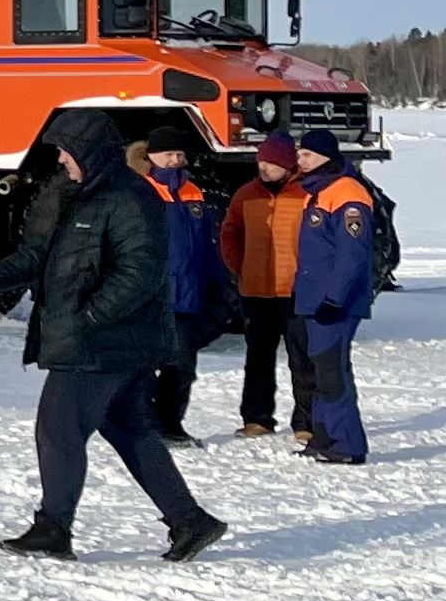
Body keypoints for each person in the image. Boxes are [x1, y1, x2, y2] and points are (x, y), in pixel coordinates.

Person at [0, 116, 228, 562]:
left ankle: (53, 529)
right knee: (129, 429)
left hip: (102, 344)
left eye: (68, 151)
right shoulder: (75, 196)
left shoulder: (131, 198)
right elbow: (38, 254)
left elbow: (139, 273)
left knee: (58, 429)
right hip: (99, 341)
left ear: (90, 153)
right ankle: (190, 520)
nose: (62, 160)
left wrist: (89, 318)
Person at [289, 128, 381, 465]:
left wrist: (335, 298)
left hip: (335, 304)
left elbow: (351, 254)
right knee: (319, 370)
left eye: (307, 155)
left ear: (325, 158)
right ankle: (324, 435)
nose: (301, 160)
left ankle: (347, 443)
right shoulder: (315, 191)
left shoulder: (347, 194)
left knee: (332, 371)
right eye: (300, 154)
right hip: (314, 299)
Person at [218, 134, 315, 439]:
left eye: (271, 164)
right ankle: (257, 419)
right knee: (258, 358)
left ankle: (306, 423)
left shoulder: (306, 194)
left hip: (295, 291)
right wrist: (239, 266)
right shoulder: (245, 194)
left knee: (302, 360)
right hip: (256, 291)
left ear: (287, 165)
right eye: (261, 162)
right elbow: (230, 233)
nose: (264, 168)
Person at [133, 133, 227, 444]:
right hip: (151, 297)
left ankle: (171, 423)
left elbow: (205, 246)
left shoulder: (193, 192)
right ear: (152, 157)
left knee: (183, 368)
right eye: (167, 154)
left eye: (178, 153)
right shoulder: (139, 191)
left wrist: (216, 283)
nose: (174, 160)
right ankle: (143, 425)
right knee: (145, 368)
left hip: (187, 296)